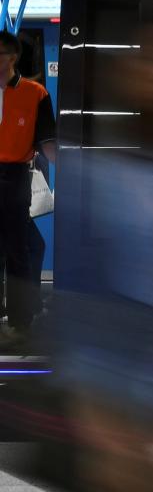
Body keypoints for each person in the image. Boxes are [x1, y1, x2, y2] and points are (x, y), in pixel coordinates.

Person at [0, 30, 56, 347]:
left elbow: (47, 141)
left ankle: (21, 322)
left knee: (18, 251)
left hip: (14, 176)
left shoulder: (35, 94)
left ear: (12, 57)